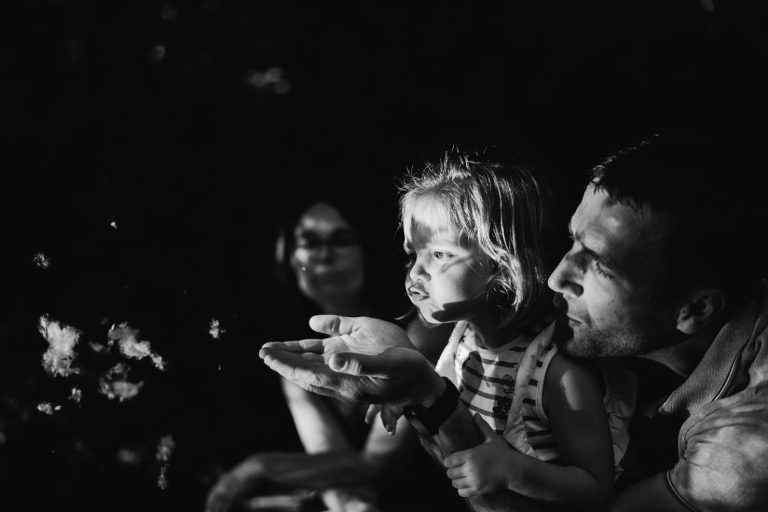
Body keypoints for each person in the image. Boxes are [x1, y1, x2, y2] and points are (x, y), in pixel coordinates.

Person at [259, 137, 768, 511]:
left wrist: (436, 407)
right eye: (572, 242)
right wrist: (413, 388)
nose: (555, 276)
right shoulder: (466, 338)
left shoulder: (743, 450)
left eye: (599, 264)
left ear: (696, 310)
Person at [385, 156, 630, 509]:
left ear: (506, 265)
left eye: (439, 254)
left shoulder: (558, 373)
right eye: (413, 255)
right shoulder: (460, 340)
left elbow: (595, 489)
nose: (415, 273)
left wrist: (514, 470)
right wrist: (408, 400)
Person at [206, 196, 459, 512]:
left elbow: (377, 464)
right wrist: (353, 507)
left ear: (366, 251)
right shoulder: (299, 360)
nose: (325, 256)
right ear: (289, 259)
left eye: (341, 241)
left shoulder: (418, 333)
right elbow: (331, 464)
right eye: (310, 243)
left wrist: (257, 467)